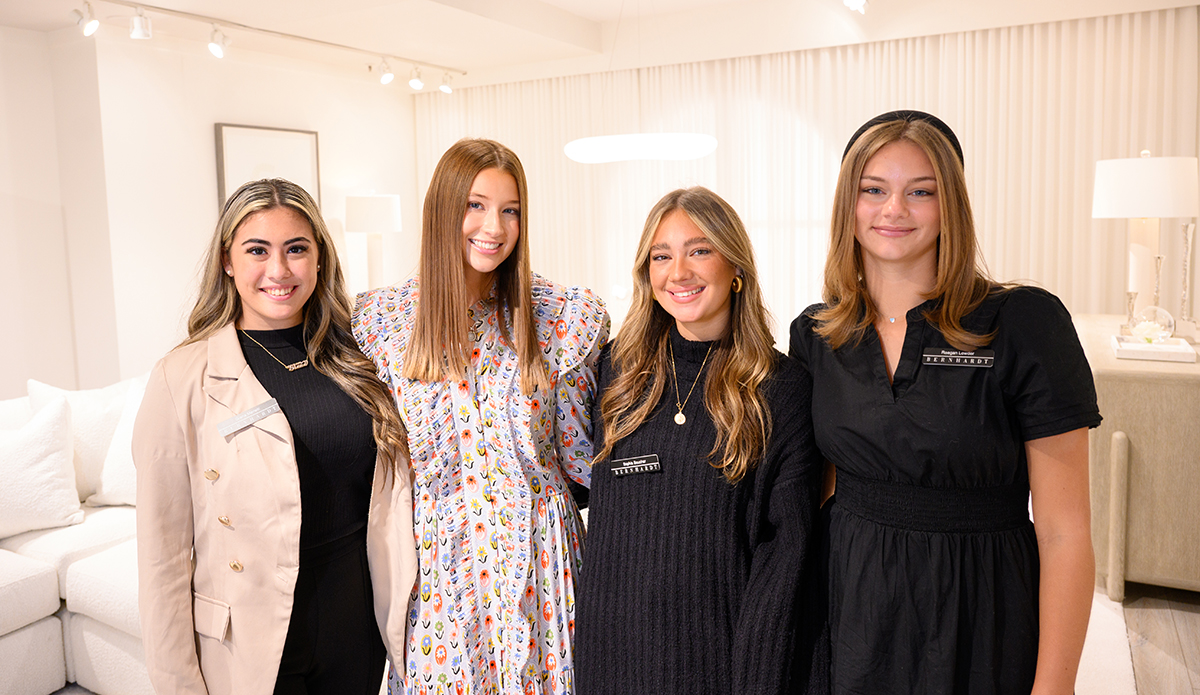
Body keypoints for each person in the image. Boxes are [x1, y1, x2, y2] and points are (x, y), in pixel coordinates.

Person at [789, 110, 1100, 694]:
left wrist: (1055, 689)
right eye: (873, 190)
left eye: (920, 192)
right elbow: (820, 488)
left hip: (981, 609)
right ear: (847, 204)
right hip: (851, 611)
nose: (893, 210)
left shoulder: (1023, 322)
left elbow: (1065, 531)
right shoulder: (817, 334)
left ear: (950, 203)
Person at [133, 178, 416, 695]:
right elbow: (163, 558)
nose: (279, 271)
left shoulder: (361, 355)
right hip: (250, 643)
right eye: (257, 250)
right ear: (227, 260)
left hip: (356, 627)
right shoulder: (181, 378)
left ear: (320, 258)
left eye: (297, 250)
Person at [353, 138, 609, 695]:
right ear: (443, 210)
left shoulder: (559, 318)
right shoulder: (381, 324)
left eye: (510, 209)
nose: (494, 226)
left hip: (542, 574)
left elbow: (585, 464)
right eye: (476, 205)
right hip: (438, 586)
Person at [574, 187, 824, 694]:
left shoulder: (781, 390)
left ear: (735, 267)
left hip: (718, 672)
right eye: (661, 255)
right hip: (609, 665)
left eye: (700, 250)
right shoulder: (615, 375)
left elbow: (784, 566)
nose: (678, 272)